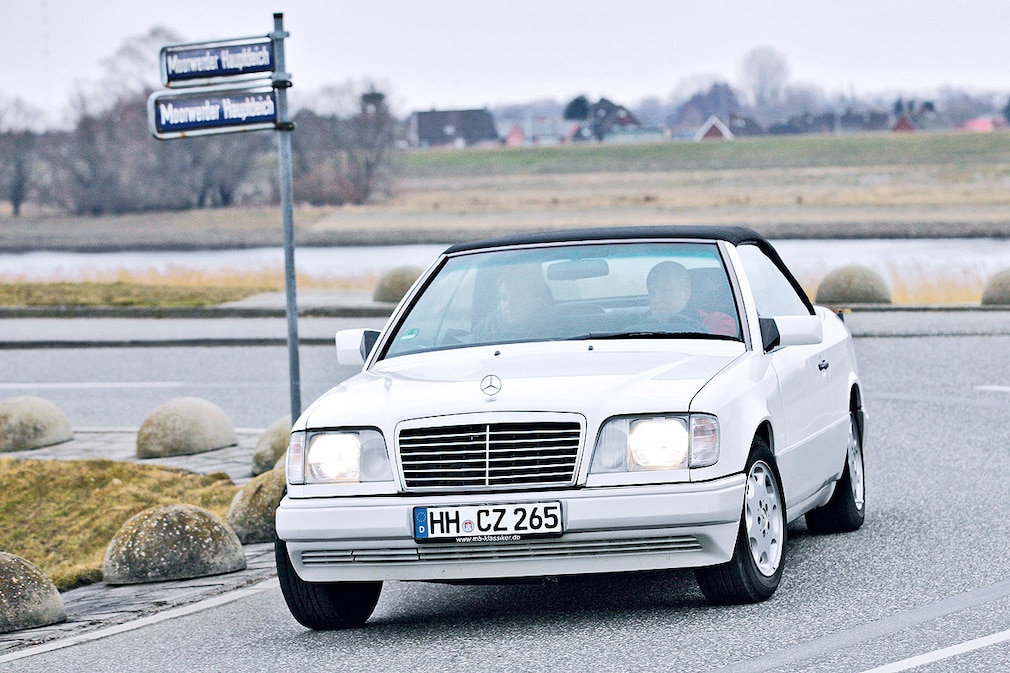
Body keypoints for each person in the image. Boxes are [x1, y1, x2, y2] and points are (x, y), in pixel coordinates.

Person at [632, 261, 737, 336]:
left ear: (686, 292)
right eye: (652, 293)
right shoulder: (636, 326)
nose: (657, 299)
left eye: (666, 291)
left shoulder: (716, 321)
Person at [476, 271, 554, 341]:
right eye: (504, 298)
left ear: (536, 300)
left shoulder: (555, 329)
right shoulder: (486, 329)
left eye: (517, 298)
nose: (508, 305)